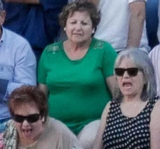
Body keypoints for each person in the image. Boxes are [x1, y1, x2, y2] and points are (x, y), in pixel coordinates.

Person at [39, 0, 117, 136]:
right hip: (55, 125)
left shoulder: (104, 50)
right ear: (65, 26)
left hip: (94, 124)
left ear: (93, 28)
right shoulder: (49, 52)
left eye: (84, 23)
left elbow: (117, 94)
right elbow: (41, 96)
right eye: (73, 22)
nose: (78, 28)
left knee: (83, 144)